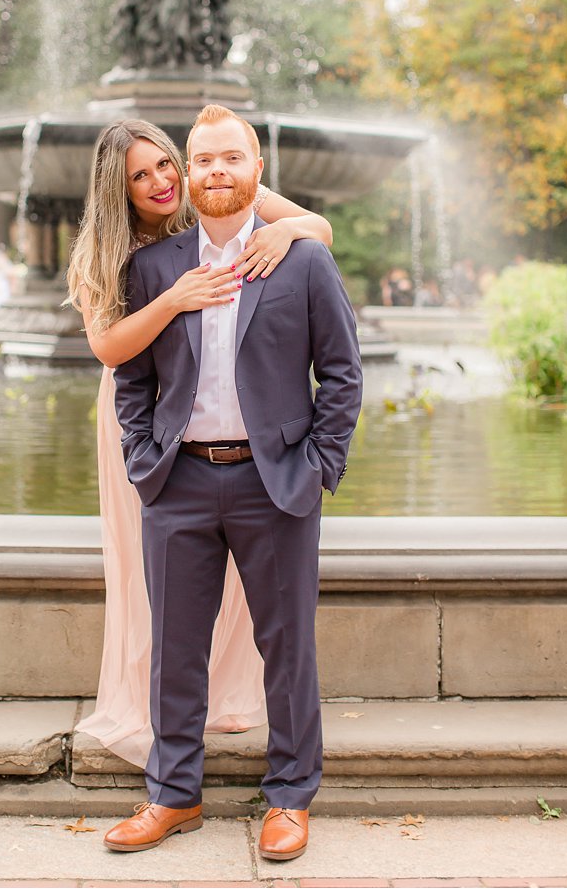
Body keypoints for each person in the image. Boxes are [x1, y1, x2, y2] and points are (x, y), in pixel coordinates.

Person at [105, 104, 361, 861]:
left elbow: (342, 375)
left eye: (231, 158)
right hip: (178, 480)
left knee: (289, 646)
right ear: (190, 174)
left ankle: (289, 796)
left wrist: (319, 469)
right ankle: (173, 793)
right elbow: (132, 377)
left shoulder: (302, 259)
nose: (217, 171)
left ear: (256, 171)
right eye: (204, 159)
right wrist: (144, 456)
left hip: (277, 481)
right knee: (175, 647)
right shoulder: (154, 267)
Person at [64, 117, 334, 777]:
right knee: (154, 587)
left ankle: (239, 709)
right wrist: (177, 299)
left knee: (265, 608)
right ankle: (165, 756)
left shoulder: (216, 189)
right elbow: (108, 348)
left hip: (252, 437)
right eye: (141, 174)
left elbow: (320, 231)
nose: (161, 181)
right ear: (117, 188)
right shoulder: (110, 251)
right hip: (159, 417)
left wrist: (282, 231)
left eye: (165, 165)